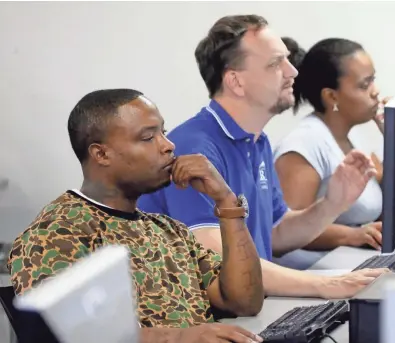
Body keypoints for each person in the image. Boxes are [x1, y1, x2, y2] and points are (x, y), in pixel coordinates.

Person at [138, 14, 388, 297]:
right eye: (275, 64)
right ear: (235, 81)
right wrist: (325, 284)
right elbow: (220, 260)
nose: (293, 71)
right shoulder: (194, 148)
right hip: (212, 323)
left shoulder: (257, 141)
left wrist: (333, 203)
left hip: (252, 308)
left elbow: (276, 233)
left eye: (287, 60)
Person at [7, 89, 266, 343]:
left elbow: (244, 301)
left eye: (162, 132)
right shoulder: (56, 233)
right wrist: (178, 337)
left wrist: (227, 202)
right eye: (147, 137)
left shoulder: (169, 230)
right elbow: (67, 334)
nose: (168, 145)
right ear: (101, 154)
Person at [271, 37, 389, 267]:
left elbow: (391, 200)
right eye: (364, 85)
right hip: (309, 277)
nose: (375, 92)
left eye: (372, 80)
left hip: (349, 265)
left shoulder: (351, 136)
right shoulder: (305, 145)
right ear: (331, 96)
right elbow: (283, 230)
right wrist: (351, 235)